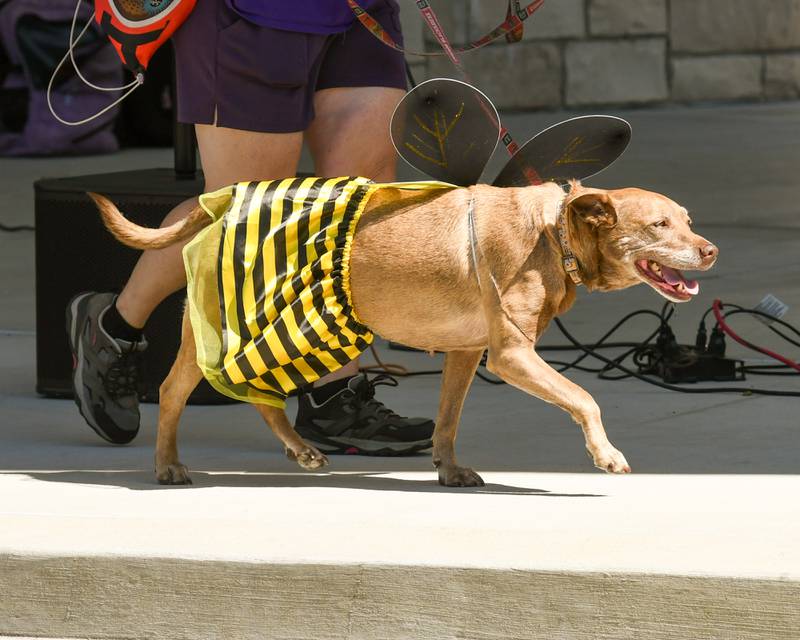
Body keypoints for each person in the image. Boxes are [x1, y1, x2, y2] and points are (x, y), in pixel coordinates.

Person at [66, 0, 435, 456]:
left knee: (360, 205)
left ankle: (334, 394)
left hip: (360, 12)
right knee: (245, 211)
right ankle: (115, 325)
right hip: (251, 14)